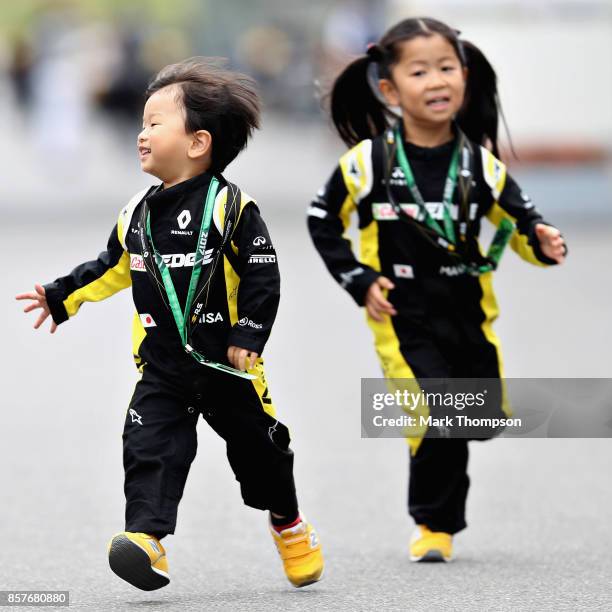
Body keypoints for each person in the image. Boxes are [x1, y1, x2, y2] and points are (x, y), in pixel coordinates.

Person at [16, 57, 323, 590]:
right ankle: (146, 542)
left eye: (154, 124)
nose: (141, 135)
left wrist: (248, 334)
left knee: (261, 455)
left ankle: (289, 524)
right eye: (141, 123)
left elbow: (262, 274)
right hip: (162, 368)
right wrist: (62, 296)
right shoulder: (137, 212)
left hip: (228, 365)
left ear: (198, 142)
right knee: (148, 448)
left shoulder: (231, 207)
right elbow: (109, 266)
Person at [307, 17, 566, 562]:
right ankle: (433, 525)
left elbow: (521, 226)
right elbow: (321, 220)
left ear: (465, 76)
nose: (436, 81)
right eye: (419, 71)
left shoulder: (482, 165)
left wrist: (542, 243)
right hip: (401, 312)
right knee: (435, 412)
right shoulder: (368, 162)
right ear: (389, 89)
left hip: (468, 312)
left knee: (471, 417)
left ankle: (442, 494)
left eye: (446, 67)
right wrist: (358, 278)